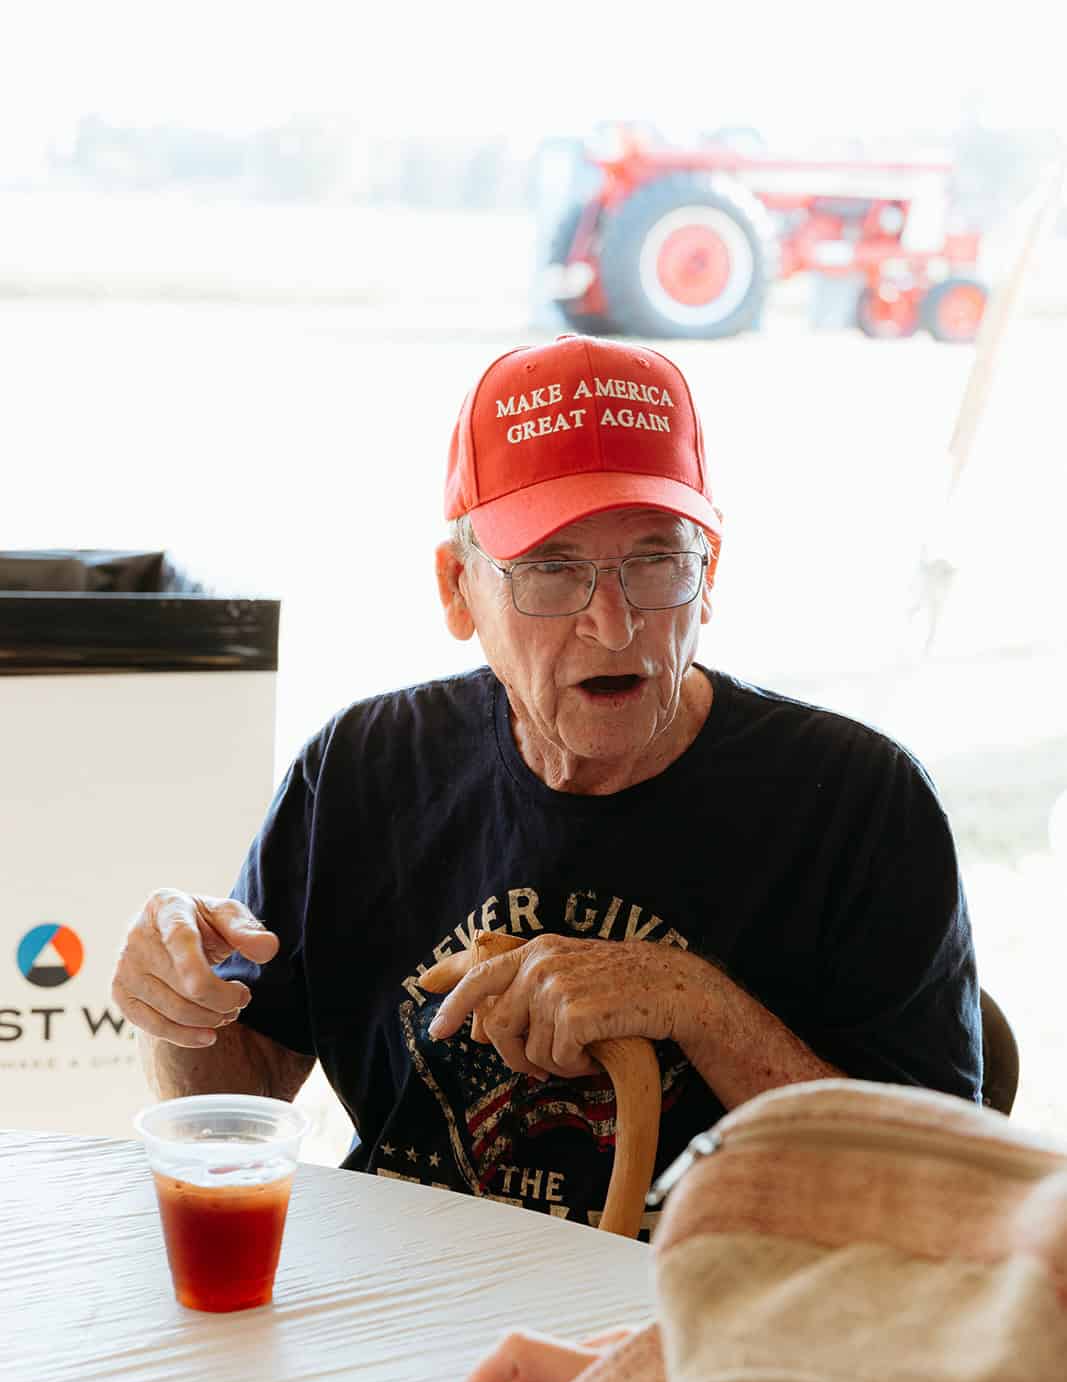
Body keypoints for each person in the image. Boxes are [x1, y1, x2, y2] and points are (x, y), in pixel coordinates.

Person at [112, 333, 981, 1237]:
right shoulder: (365, 767)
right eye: (551, 570)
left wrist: (699, 1006)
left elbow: (945, 1195)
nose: (613, 625)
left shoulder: (856, 800)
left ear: (709, 575)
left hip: (709, 1299)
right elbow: (235, 1105)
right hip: (411, 1280)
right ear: (457, 589)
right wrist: (178, 1006)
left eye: (655, 561)